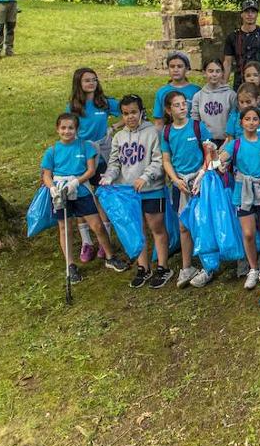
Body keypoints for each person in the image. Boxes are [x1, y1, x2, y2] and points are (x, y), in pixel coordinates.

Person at [43, 113, 131, 284]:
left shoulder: (85, 147)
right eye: (63, 128)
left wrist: (76, 182)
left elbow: (91, 171)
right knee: (65, 229)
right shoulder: (52, 151)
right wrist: (52, 188)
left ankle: (110, 257)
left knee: (97, 225)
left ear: (76, 129)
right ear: (57, 129)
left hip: (81, 191)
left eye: (70, 128)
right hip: (61, 193)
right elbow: (47, 175)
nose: (67, 131)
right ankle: (70, 265)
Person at [100, 94, 169, 288]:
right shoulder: (119, 137)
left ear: (142, 113)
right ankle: (143, 268)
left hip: (152, 188)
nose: (129, 117)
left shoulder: (153, 132)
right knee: (136, 229)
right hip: (128, 192)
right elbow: (114, 163)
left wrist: (145, 176)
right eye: (125, 114)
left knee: (156, 227)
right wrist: (108, 177)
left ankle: (163, 267)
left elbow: (159, 161)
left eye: (133, 113)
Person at [158, 90, 216, 288]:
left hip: (199, 181)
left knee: (202, 222)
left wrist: (201, 173)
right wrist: (175, 180)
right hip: (180, 184)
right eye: (177, 105)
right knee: (184, 225)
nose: (182, 107)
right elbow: (166, 159)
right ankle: (187, 266)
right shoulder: (166, 132)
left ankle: (208, 266)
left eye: (184, 103)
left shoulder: (198, 127)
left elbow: (209, 154)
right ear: (168, 110)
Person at [66, 67, 120, 262]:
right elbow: (68, 129)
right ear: (79, 83)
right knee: (82, 196)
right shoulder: (73, 106)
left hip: (102, 152)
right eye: (87, 80)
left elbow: (132, 110)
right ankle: (86, 242)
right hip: (81, 154)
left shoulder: (104, 102)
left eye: (94, 80)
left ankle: (105, 239)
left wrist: (114, 126)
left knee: (101, 193)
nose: (91, 83)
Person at [217, 106, 260, 289]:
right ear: (241, 122)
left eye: (254, 119)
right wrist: (216, 160)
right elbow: (221, 159)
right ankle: (253, 268)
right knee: (248, 233)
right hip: (242, 192)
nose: (251, 122)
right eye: (247, 119)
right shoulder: (236, 144)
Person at [223, 0, 260, 88]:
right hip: (240, 82)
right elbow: (227, 62)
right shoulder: (232, 36)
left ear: (257, 14)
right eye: (246, 11)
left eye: (253, 12)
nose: (250, 15)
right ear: (241, 14)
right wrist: (223, 85)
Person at [190, 59, 237, 147]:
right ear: (204, 73)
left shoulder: (231, 95)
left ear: (222, 73)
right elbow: (195, 120)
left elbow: (235, 119)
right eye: (210, 71)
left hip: (226, 141)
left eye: (218, 71)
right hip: (205, 141)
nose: (214, 74)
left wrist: (230, 139)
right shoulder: (198, 96)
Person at [152, 51, 201, 120]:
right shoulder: (162, 92)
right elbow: (159, 121)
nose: (175, 70)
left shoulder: (196, 90)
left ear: (186, 68)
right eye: (172, 66)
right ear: (168, 69)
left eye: (180, 66)